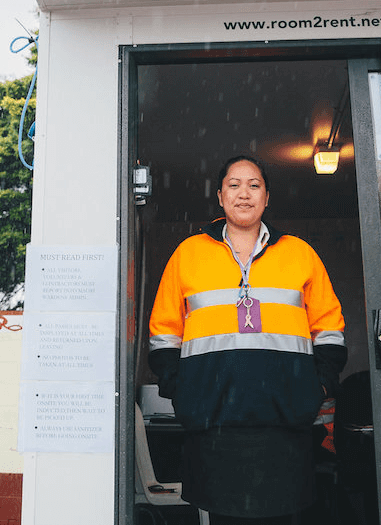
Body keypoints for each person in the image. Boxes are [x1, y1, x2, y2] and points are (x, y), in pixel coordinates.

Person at [148, 155, 346, 524]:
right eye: (234, 185)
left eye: (254, 185)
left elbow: (329, 330)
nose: (244, 194)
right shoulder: (187, 255)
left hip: (285, 424)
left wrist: (316, 387)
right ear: (220, 197)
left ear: (267, 197)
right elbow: (163, 333)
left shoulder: (300, 254)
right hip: (213, 424)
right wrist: (181, 388)